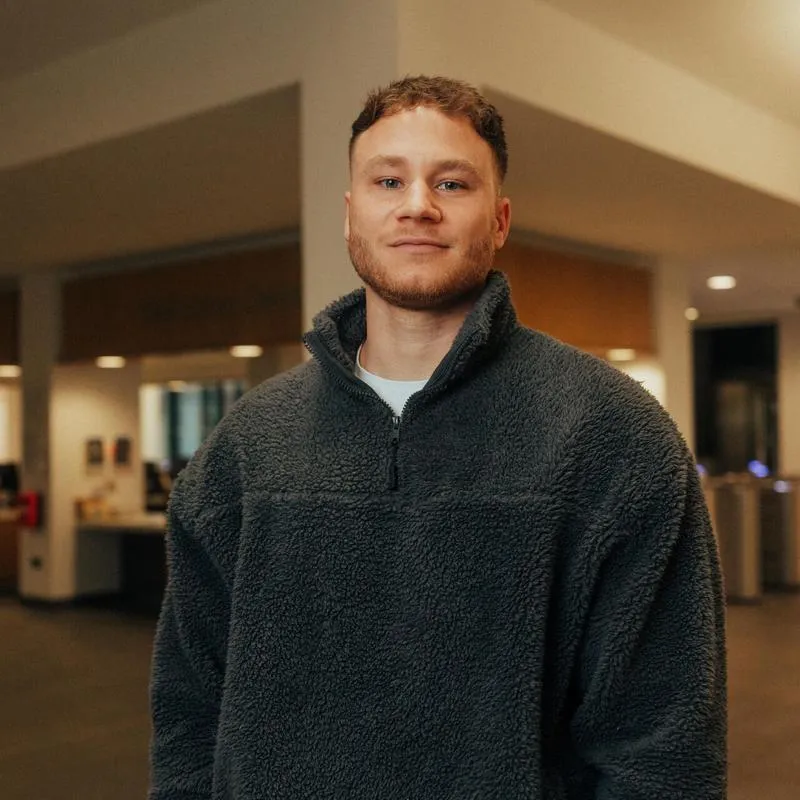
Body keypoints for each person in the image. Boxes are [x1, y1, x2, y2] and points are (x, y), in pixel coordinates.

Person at [149, 75, 726, 799]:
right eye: (389, 180)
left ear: (501, 218)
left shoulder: (613, 434)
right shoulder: (246, 446)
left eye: (452, 184)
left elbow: (664, 747)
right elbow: (188, 714)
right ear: (351, 212)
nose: (417, 205)